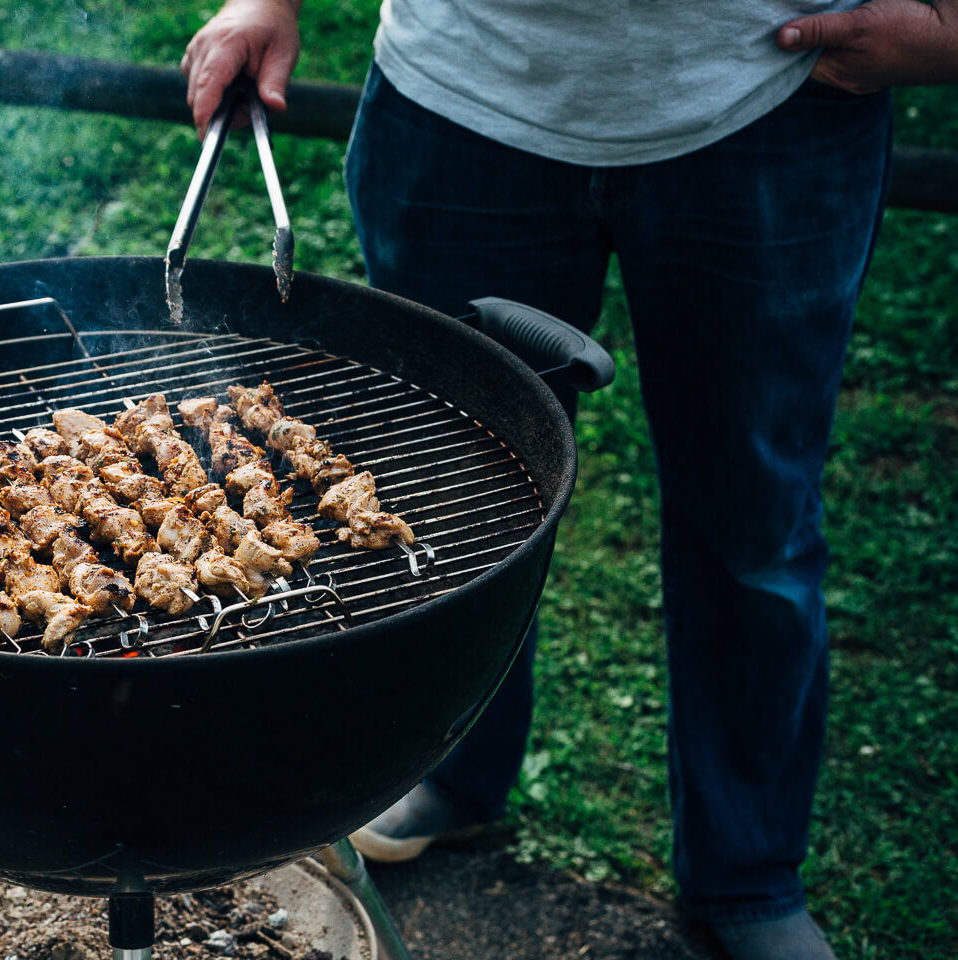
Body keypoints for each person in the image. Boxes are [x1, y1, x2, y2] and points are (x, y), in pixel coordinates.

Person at [182, 3, 957, 959]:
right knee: (443, 499)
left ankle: (748, 872)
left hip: (769, 106)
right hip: (463, 101)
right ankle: (455, 767)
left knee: (755, 522)